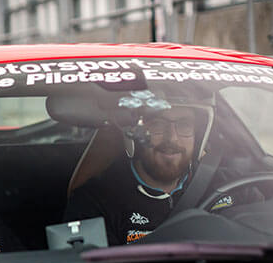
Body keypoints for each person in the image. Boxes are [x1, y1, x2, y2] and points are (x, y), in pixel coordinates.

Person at [64, 95, 258, 245]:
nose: (171, 139)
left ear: (198, 136)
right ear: (134, 135)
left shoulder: (232, 186)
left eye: (184, 125)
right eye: (157, 124)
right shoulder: (96, 203)